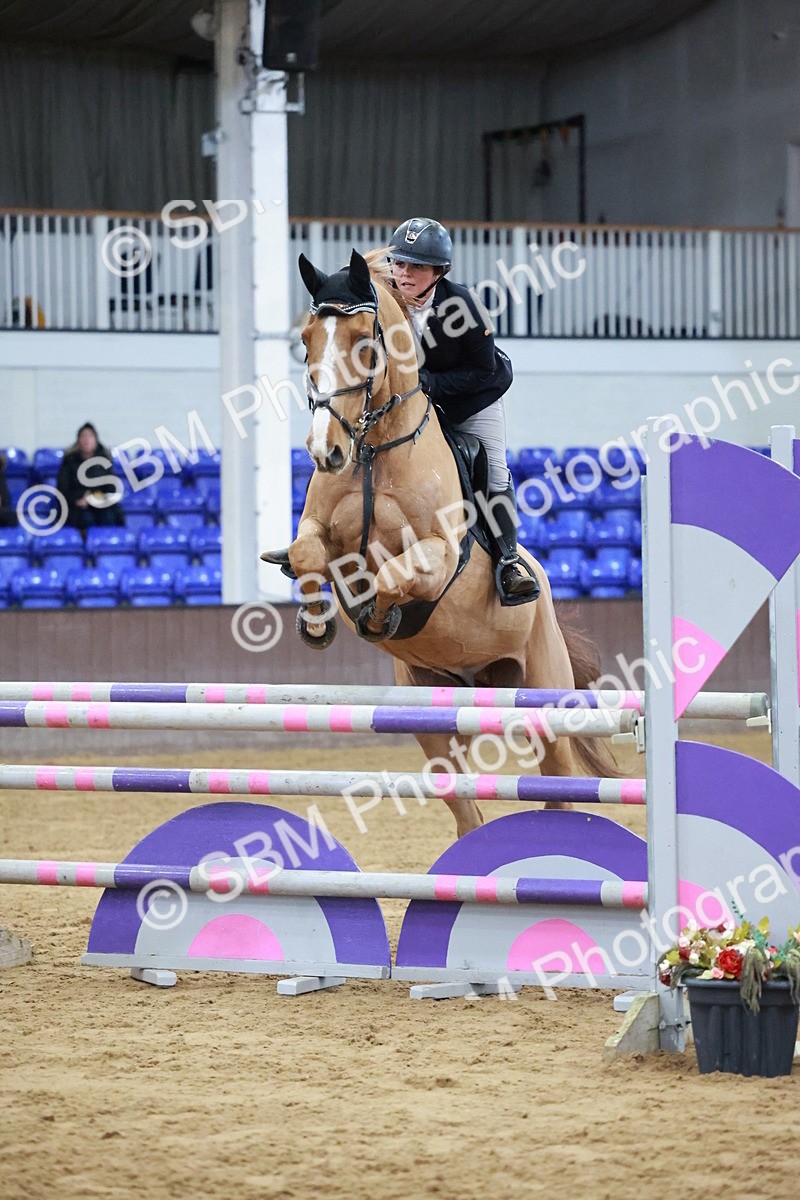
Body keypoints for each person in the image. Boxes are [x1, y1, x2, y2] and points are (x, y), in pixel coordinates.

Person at [388, 217, 539, 602]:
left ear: (439, 272)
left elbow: (482, 369)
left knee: (493, 469)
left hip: (475, 397)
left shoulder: (464, 305)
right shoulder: (384, 301)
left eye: (416, 267)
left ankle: (508, 561)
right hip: (417, 402)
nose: (404, 274)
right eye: (399, 264)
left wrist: (432, 384)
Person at [57, 423, 124, 534]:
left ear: (96, 440)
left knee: (110, 516)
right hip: (77, 505)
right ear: (78, 440)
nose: (86, 440)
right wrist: (78, 499)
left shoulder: (104, 460)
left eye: (90, 436)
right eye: (83, 436)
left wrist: (95, 498)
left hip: (100, 504)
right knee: (84, 518)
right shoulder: (69, 461)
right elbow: (62, 489)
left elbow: (112, 488)